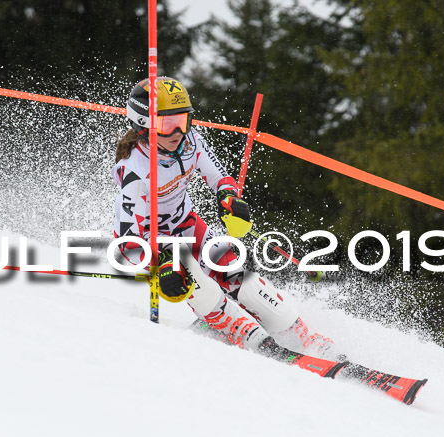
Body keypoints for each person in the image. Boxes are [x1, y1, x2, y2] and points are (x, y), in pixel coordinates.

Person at [112, 76, 333, 359]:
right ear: (143, 124)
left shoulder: (191, 142)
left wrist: (229, 197)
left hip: (188, 226)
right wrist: (162, 265)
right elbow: (128, 244)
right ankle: (253, 341)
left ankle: (302, 337)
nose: (178, 131)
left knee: (235, 270)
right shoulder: (133, 169)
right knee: (197, 283)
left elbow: (219, 177)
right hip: (156, 243)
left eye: (183, 120)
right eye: (168, 124)